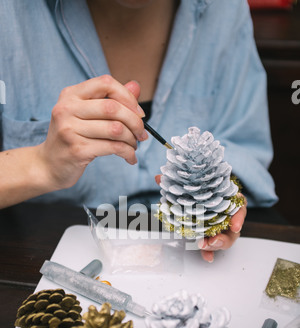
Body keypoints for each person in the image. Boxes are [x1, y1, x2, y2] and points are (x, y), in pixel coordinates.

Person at [0, 0, 277, 262]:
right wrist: (40, 165)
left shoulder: (224, 9)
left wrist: (219, 196)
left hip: (198, 261)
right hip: (38, 252)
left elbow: (243, 146)